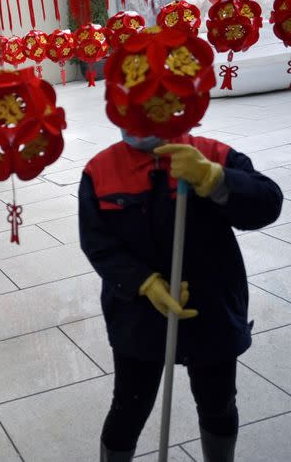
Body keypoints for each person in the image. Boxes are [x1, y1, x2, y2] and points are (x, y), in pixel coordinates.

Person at [79, 129, 283, 462]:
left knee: (218, 402)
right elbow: (97, 243)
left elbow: (268, 203)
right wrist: (144, 283)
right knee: (129, 406)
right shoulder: (100, 171)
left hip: (211, 311)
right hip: (138, 317)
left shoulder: (210, 153)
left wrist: (215, 178)